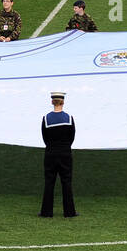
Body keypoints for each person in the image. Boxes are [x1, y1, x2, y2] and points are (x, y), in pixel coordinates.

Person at [39, 89, 77, 218]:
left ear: (52, 102)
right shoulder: (69, 118)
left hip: (50, 153)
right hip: (65, 153)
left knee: (49, 182)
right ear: (63, 102)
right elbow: (72, 137)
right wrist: (65, 146)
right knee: (66, 182)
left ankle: (46, 212)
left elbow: (44, 137)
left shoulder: (45, 118)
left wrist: (52, 146)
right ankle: (69, 212)